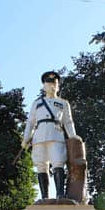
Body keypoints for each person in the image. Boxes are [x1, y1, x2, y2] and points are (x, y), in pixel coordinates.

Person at [22, 71, 77, 199]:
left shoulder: (63, 103)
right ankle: (44, 197)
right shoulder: (37, 103)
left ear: (58, 86)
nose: (52, 86)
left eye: (55, 84)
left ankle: (60, 194)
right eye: (49, 83)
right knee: (41, 165)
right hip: (39, 136)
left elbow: (68, 122)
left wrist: (73, 137)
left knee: (58, 162)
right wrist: (26, 138)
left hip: (56, 135)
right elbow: (30, 122)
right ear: (44, 86)